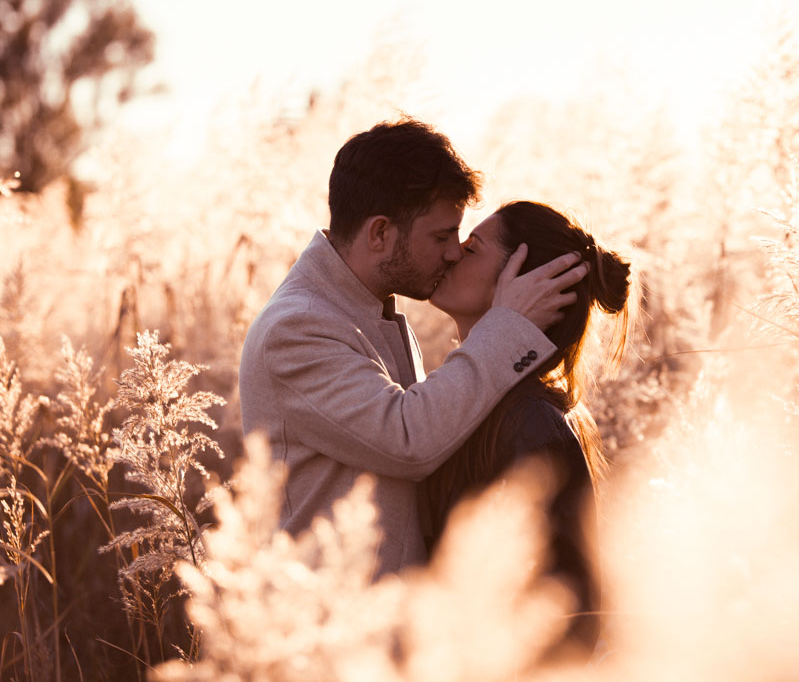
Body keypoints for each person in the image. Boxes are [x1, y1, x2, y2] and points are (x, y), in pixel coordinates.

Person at [239, 119, 590, 576]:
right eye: (442, 236)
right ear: (380, 233)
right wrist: (510, 324)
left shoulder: (367, 312)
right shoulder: (299, 328)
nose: (452, 253)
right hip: (328, 630)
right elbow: (407, 439)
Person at [423, 200, 631, 650]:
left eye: (472, 247)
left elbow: (568, 609)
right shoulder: (467, 399)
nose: (453, 253)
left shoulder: (530, 423)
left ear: (522, 282)